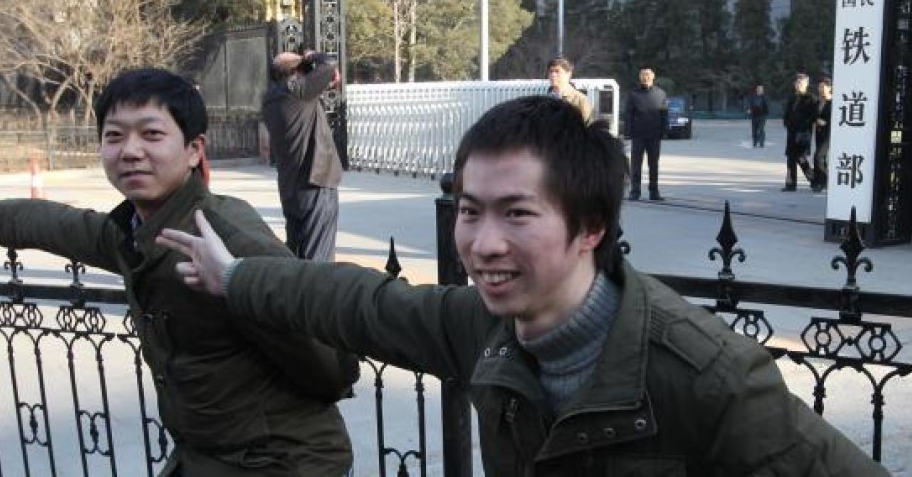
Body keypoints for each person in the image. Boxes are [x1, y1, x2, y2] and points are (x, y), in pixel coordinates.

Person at [159, 95, 883, 476]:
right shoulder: (483, 328)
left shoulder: (710, 378)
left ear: (591, 226)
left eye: (518, 214)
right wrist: (237, 278)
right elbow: (355, 304)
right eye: (470, 212)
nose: (481, 242)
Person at [0, 67, 356, 477]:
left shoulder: (224, 238)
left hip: (281, 461)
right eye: (114, 136)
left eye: (152, 134)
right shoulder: (139, 229)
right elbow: (65, 226)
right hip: (206, 454)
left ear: (194, 149)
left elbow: (325, 364)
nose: (130, 150)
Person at [263, 50, 342, 262]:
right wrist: (311, 56)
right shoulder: (296, 91)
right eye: (305, 69)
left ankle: (294, 294)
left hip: (291, 189)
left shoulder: (271, 99)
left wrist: (318, 78)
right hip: (314, 184)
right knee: (318, 261)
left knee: (296, 255)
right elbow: (329, 63)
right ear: (296, 71)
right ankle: (315, 295)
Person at [624, 65, 668, 201]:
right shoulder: (633, 94)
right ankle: (635, 191)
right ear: (640, 77)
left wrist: (664, 130)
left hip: (654, 135)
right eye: (643, 74)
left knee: (653, 164)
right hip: (638, 135)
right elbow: (628, 114)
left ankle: (654, 191)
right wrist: (628, 132)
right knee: (636, 165)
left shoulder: (661, 93)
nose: (645, 77)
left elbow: (664, 114)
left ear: (653, 76)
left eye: (648, 74)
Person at [782, 72, 818, 192]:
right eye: (797, 83)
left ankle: (813, 180)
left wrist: (804, 126)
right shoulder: (792, 98)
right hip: (791, 133)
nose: (799, 85)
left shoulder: (811, 98)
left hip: (803, 133)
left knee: (801, 158)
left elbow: (813, 116)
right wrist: (786, 122)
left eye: (801, 83)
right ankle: (790, 184)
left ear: (806, 84)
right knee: (791, 158)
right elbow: (787, 113)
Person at [546, 56, 593, 122]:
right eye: (551, 71)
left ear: (568, 74)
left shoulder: (580, 101)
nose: (553, 75)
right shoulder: (545, 101)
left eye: (557, 71)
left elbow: (588, 127)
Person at [812, 76, 833, 193]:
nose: (820, 89)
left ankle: (821, 181)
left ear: (830, 88)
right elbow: (812, 115)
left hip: (828, 134)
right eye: (819, 87)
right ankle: (822, 182)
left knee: (818, 156)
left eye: (823, 87)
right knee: (822, 158)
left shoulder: (833, 103)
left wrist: (826, 122)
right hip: (819, 132)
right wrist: (816, 120)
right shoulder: (818, 102)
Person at [746, 83, 769, 148]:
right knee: (754, 130)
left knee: (760, 129)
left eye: (761, 89)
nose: (759, 90)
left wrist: (764, 112)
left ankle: (761, 143)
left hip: (762, 116)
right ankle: (755, 142)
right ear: (756, 89)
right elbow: (749, 104)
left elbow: (767, 105)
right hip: (754, 115)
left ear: (763, 90)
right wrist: (749, 109)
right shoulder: (753, 97)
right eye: (758, 89)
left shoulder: (765, 97)